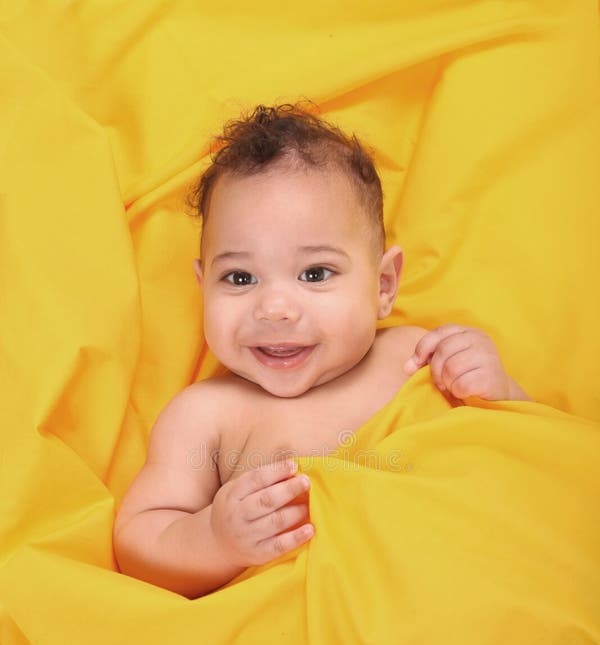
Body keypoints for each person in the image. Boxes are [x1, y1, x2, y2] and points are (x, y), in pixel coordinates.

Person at [113, 103, 533, 599]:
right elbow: (139, 539)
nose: (274, 308)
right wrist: (214, 540)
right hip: (317, 629)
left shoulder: (418, 354)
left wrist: (498, 391)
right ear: (203, 287)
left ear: (383, 286)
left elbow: (520, 464)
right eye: (240, 278)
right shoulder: (206, 417)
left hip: (466, 586)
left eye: (315, 274)